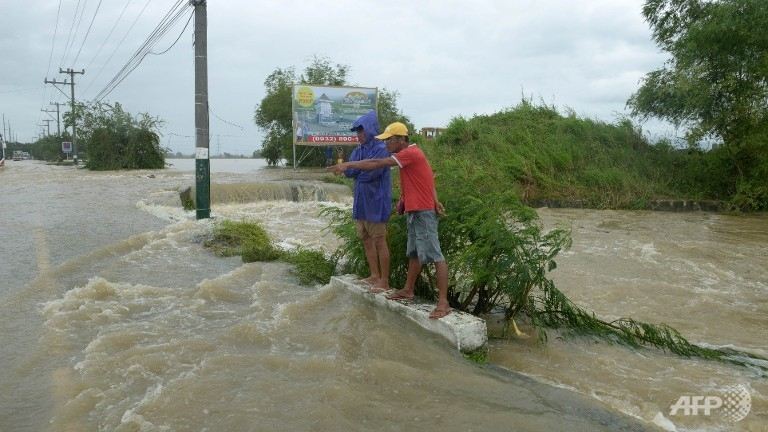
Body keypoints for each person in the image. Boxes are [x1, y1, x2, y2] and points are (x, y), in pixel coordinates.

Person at [328, 122, 451, 319]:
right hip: (416, 210)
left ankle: (443, 303)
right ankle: (408, 289)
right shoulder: (411, 155)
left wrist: (347, 164)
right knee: (414, 254)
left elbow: (378, 164)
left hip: (423, 212)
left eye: (388, 140)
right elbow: (428, 178)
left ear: (400, 140)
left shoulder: (410, 153)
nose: (385, 144)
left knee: (436, 256)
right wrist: (428, 200)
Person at [343, 110, 392, 292]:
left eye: (361, 131)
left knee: (380, 241)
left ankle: (384, 281)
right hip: (361, 203)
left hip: (376, 202)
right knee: (366, 240)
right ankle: (374, 275)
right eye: (357, 132)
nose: (359, 135)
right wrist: (355, 169)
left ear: (370, 129)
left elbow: (372, 173)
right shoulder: (359, 150)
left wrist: (357, 169)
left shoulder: (381, 149)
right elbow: (349, 172)